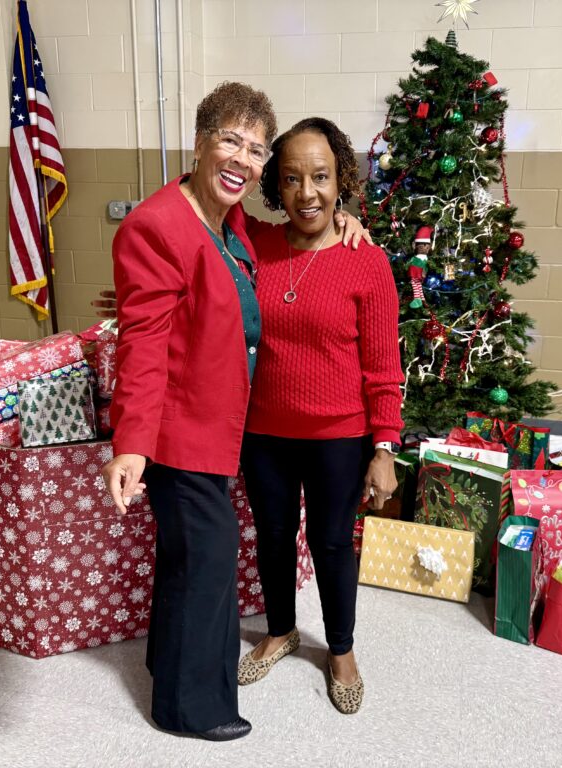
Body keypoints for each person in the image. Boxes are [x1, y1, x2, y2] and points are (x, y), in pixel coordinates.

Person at [100, 84, 366, 740]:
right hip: (180, 433)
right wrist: (131, 445)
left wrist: (348, 224)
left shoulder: (228, 220)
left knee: (189, 560)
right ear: (199, 142)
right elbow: (143, 347)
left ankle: (168, 666)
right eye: (230, 141)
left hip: (221, 431)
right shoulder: (157, 224)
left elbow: (292, 242)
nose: (243, 159)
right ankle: (191, 708)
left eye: (255, 150)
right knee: (210, 564)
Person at [237, 118, 404, 715]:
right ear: (274, 188)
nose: (307, 192)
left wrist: (384, 448)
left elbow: (385, 369)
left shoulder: (367, 262)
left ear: (342, 181)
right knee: (275, 538)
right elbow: (198, 191)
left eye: (320, 177)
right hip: (263, 433)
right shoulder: (254, 243)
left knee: (333, 544)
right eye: (290, 179)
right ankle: (280, 630)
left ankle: (340, 650)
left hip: (339, 436)